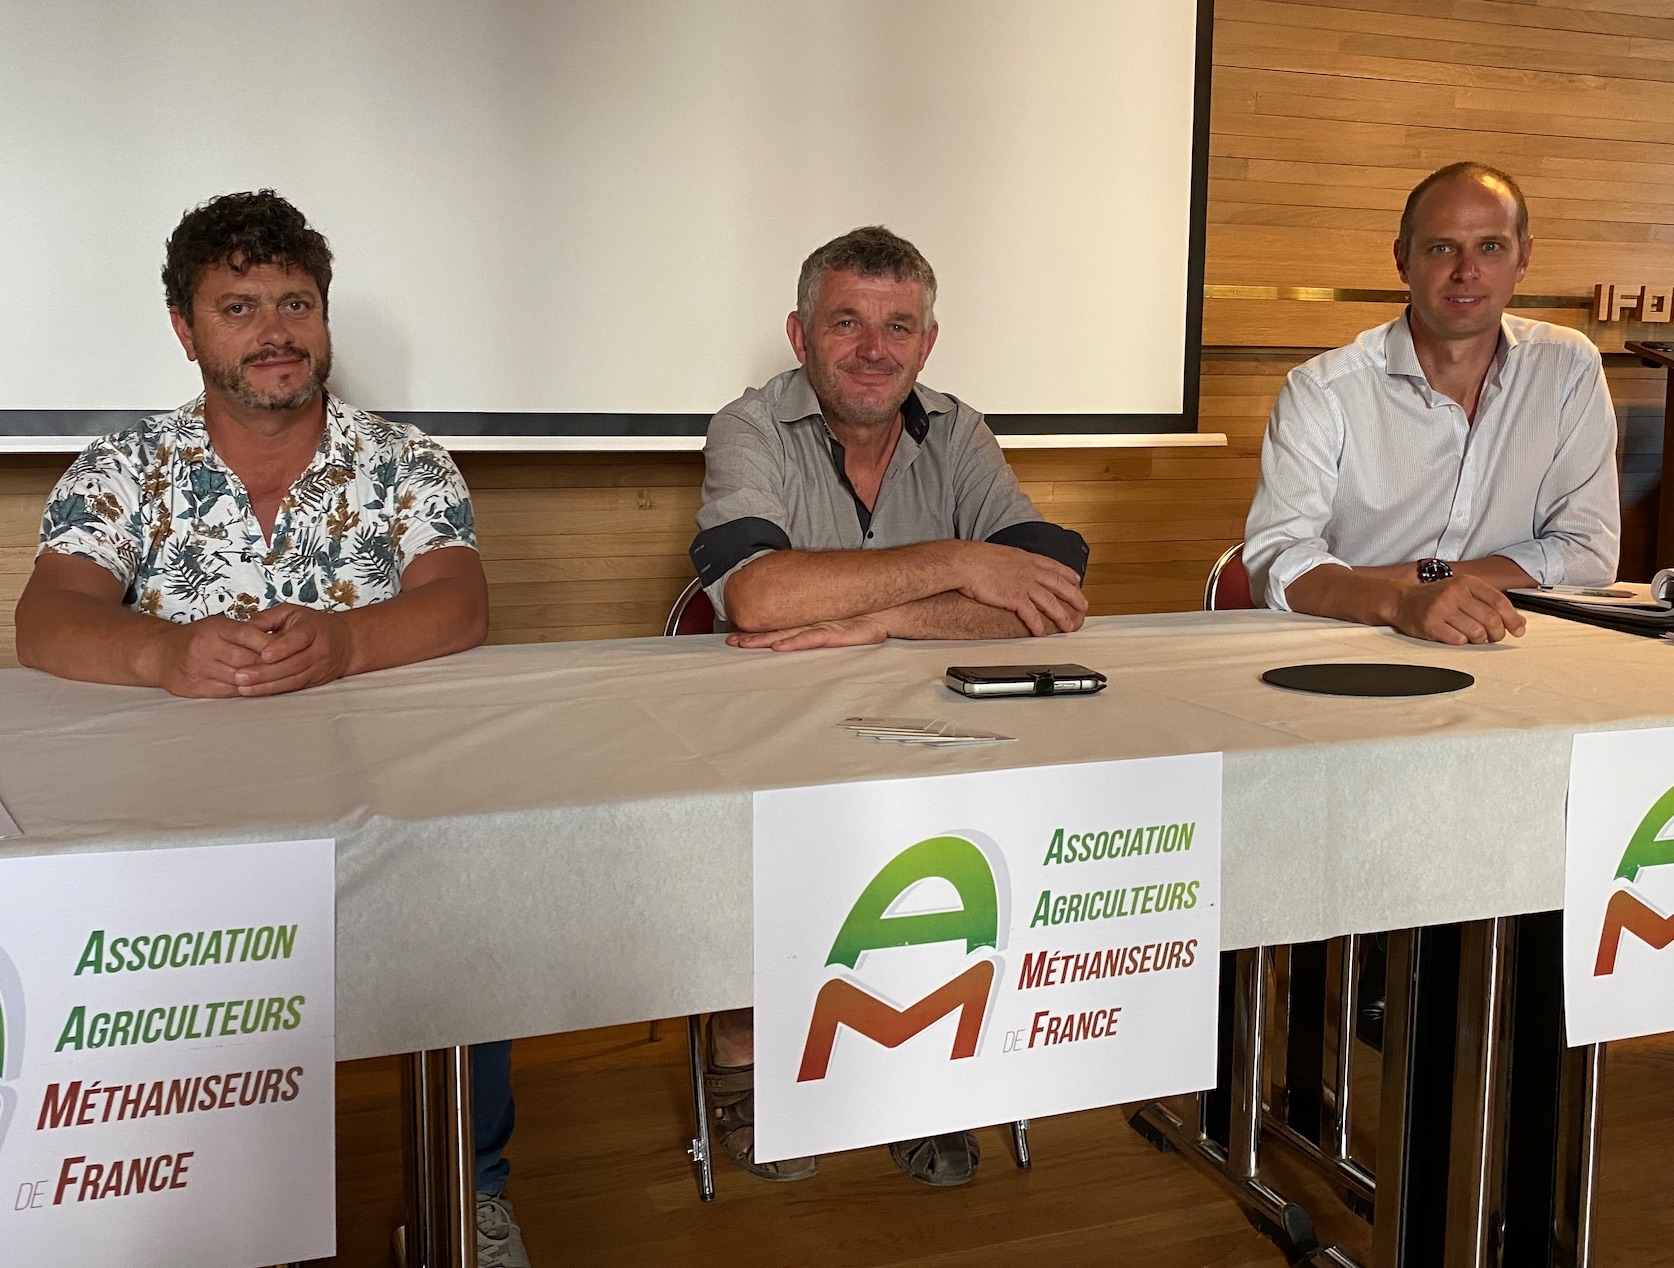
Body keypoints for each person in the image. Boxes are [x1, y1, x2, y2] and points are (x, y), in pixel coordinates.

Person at [12, 191, 527, 1268]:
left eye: (295, 301)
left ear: (326, 316)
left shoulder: (406, 461)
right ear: (185, 327)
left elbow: (461, 602)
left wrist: (342, 644)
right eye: (238, 305)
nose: (275, 328)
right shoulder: (126, 468)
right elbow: (45, 620)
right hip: (181, 824)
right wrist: (165, 652)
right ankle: (198, 1198)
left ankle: (475, 1189)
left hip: (386, 802)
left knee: (473, 907)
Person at [688, 225, 1090, 1186]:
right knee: (774, 830)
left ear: (928, 341)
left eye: (898, 326)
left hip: (931, 731)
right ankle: (748, 1041)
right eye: (847, 323)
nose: (875, 349)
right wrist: (957, 566)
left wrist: (882, 621)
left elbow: (1056, 589)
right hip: (771, 727)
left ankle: (920, 1058)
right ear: (799, 334)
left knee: (964, 834)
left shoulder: (958, 428)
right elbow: (757, 597)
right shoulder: (746, 426)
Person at [1243, 162, 1620, 645]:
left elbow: (1589, 555)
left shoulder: (1568, 367)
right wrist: (1399, 603)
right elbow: (1277, 565)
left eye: (1490, 247)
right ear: (1403, 260)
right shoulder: (1323, 390)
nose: (1467, 272)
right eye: (1442, 248)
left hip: (1515, 641)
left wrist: (1424, 577)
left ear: (1523, 259)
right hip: (1355, 645)